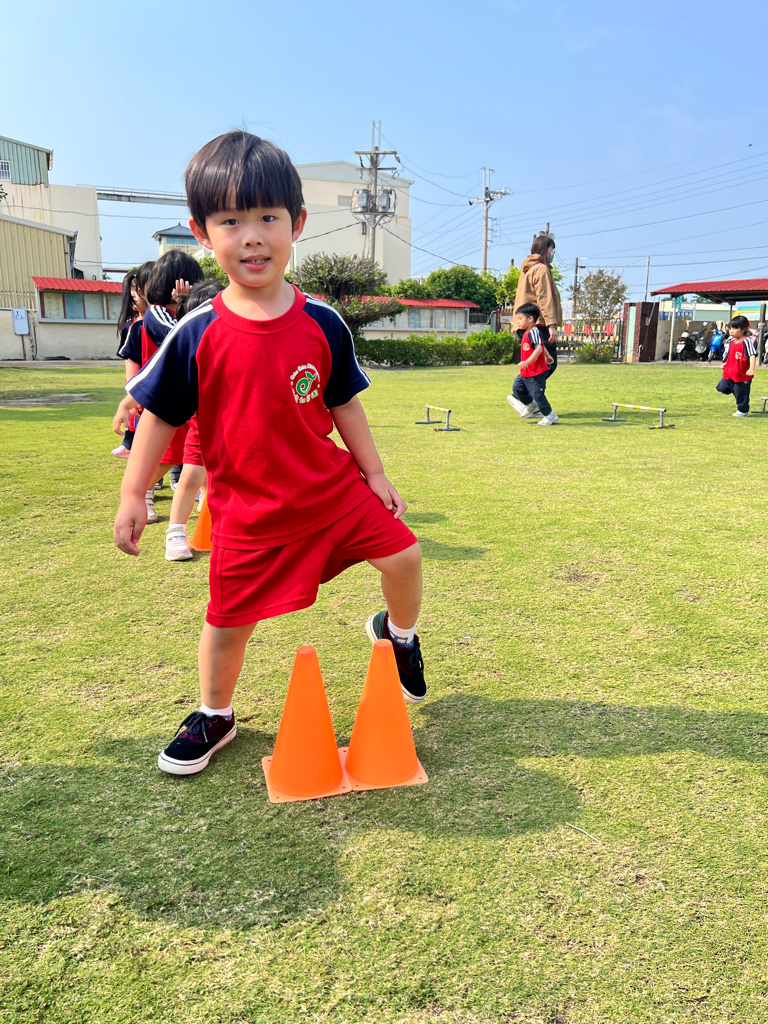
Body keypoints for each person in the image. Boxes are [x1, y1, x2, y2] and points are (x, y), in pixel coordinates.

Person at [113, 130, 426, 776]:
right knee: (227, 624)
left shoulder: (323, 322)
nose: (252, 236)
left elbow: (344, 403)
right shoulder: (196, 331)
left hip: (329, 492)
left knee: (405, 555)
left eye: (267, 218)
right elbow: (159, 415)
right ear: (202, 233)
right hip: (248, 514)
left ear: (297, 224)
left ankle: (398, 636)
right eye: (231, 221)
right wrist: (133, 493)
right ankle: (215, 714)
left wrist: (374, 473)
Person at [112, 252, 204, 522]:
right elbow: (180, 337)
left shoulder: (185, 313)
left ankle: (204, 497)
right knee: (167, 456)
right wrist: (185, 304)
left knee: (196, 456)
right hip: (164, 400)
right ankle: (142, 493)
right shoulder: (156, 313)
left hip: (188, 402)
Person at [163, 282, 224, 561]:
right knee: (190, 478)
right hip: (202, 427)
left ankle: (216, 524)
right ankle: (175, 532)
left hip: (239, 430)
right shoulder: (188, 349)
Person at [111, 263, 153, 457]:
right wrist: (131, 391)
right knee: (137, 414)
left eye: (137, 290)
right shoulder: (132, 327)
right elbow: (130, 361)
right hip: (140, 381)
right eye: (132, 291)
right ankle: (130, 443)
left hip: (154, 381)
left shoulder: (160, 322)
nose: (134, 296)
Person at [515, 234, 562, 378]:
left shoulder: (527, 269)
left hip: (526, 323)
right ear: (544, 249)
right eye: (551, 250)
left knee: (534, 363)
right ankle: (523, 389)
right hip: (539, 323)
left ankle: (524, 390)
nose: (551, 254)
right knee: (548, 363)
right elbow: (544, 298)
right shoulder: (541, 269)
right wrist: (551, 324)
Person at [506, 302, 558, 426]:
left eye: (520, 319)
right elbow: (541, 346)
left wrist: (527, 361)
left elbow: (538, 348)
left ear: (530, 319)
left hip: (536, 372)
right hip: (526, 372)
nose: (518, 322)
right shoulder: (527, 332)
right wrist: (548, 356)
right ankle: (531, 405)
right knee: (517, 388)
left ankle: (550, 415)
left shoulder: (534, 331)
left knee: (538, 394)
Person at [716, 315, 756, 417]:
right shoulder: (731, 341)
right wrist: (726, 363)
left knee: (741, 394)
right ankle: (735, 389)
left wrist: (751, 368)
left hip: (742, 374)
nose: (731, 331)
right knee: (721, 387)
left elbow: (752, 355)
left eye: (735, 328)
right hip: (730, 372)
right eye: (730, 328)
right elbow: (731, 355)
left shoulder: (746, 341)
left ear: (743, 329)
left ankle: (743, 411)